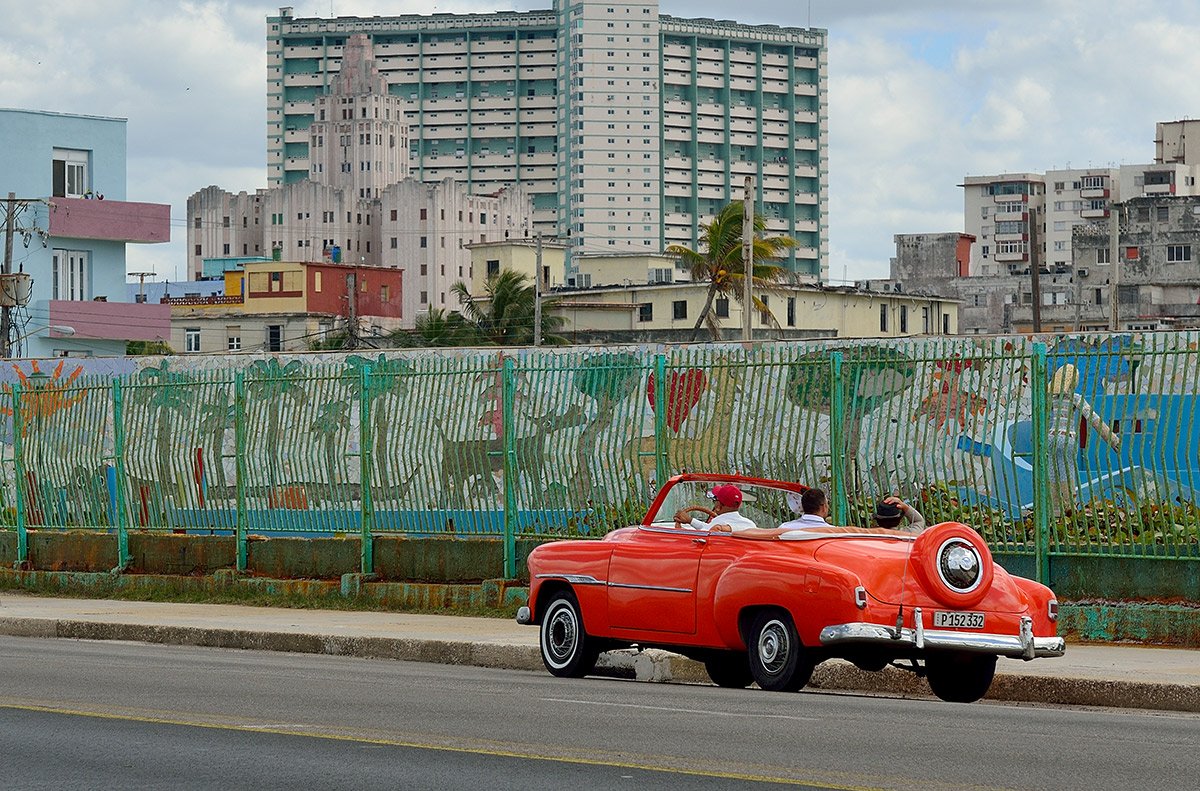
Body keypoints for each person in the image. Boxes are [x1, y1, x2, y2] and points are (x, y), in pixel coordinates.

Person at [674, 484, 757, 532]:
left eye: (715, 500)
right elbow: (706, 527)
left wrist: (683, 527)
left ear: (718, 506)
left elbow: (703, 533)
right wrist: (690, 520)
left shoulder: (719, 523)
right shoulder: (750, 524)